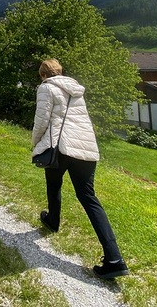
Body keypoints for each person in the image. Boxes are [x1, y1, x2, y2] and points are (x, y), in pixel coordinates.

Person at [31, 58, 129, 280]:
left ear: (43, 74)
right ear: (61, 72)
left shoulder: (46, 87)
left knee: (54, 183)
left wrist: (35, 142)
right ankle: (114, 258)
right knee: (88, 197)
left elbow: (41, 120)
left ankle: (53, 220)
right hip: (86, 149)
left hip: (61, 148)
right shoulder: (76, 88)